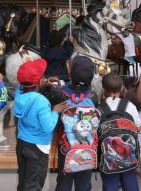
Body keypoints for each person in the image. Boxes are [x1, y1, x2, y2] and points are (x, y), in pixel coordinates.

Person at [14, 59, 67, 191]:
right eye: (42, 77)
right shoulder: (42, 101)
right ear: (38, 82)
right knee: (34, 184)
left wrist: (42, 84)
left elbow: (26, 89)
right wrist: (55, 111)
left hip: (22, 143)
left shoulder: (18, 94)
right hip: (38, 147)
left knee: (23, 180)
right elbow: (48, 126)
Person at [53, 55, 96, 191]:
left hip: (65, 146)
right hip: (86, 146)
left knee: (64, 181)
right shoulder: (93, 97)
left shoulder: (60, 94)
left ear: (71, 75)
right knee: (83, 183)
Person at [100, 73, 141, 191]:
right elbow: (138, 128)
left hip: (108, 159)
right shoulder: (130, 106)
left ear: (103, 90)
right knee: (130, 183)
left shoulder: (100, 109)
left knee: (110, 185)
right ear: (122, 88)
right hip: (129, 156)